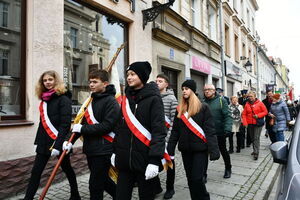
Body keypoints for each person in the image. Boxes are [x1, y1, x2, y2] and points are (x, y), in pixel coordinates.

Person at [114, 61, 167, 200]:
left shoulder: (154, 99)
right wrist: (115, 152)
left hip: (145, 162)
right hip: (125, 161)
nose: (129, 78)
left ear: (142, 76)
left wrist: (154, 161)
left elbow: (159, 131)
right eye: (127, 75)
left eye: (133, 74)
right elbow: (119, 128)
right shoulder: (125, 100)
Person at [24, 70, 80, 200]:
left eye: (50, 79)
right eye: (45, 80)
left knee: (67, 169)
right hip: (44, 141)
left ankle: (75, 195)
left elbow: (65, 124)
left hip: (59, 141)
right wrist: (37, 142)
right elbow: (42, 124)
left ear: (56, 81)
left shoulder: (64, 99)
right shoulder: (44, 100)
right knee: (36, 172)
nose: (47, 82)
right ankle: (28, 198)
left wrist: (58, 144)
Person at [65, 70, 120, 200]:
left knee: (95, 185)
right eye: (90, 82)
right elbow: (81, 124)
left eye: (95, 82)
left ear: (105, 83)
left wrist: (82, 128)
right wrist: (69, 141)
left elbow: (106, 126)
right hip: (91, 149)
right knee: (104, 181)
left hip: (104, 149)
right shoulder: (90, 101)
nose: (91, 84)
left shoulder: (111, 102)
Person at [167, 80, 219, 200]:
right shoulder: (179, 109)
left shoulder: (203, 107)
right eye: (183, 89)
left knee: (197, 179)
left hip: (200, 150)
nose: (184, 91)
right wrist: (170, 149)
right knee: (190, 179)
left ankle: (204, 198)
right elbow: (175, 131)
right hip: (186, 150)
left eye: (187, 88)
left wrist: (214, 150)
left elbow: (210, 130)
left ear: (193, 91)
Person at [156, 74, 178, 199]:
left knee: (169, 163)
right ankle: (156, 187)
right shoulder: (153, 97)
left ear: (166, 84)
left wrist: (168, 139)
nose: (157, 83)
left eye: (160, 81)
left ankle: (170, 188)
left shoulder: (172, 99)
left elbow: (174, 121)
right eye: (156, 81)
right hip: (155, 137)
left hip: (167, 138)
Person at [203, 84, 232, 178]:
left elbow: (227, 115)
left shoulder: (221, 100)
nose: (207, 91)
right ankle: (204, 174)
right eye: (205, 90)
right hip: (206, 132)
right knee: (204, 153)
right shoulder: (202, 101)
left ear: (214, 90)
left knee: (223, 150)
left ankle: (228, 168)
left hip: (219, 131)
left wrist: (227, 128)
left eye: (209, 89)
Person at [242, 91, 268, 160]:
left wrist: (258, 115)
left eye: (251, 96)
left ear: (255, 96)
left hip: (258, 123)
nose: (250, 98)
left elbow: (265, 112)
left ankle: (256, 152)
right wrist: (245, 123)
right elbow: (244, 114)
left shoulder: (260, 103)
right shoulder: (247, 104)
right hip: (250, 124)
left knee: (256, 138)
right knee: (252, 138)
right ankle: (254, 150)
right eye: (249, 96)